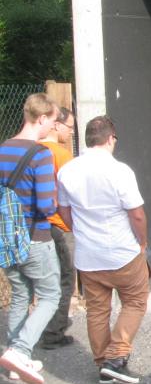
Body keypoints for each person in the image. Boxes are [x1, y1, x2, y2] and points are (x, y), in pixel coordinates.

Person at [57, 115, 150, 384]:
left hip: (88, 255)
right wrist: (142, 241)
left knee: (97, 310)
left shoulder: (67, 171)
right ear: (111, 138)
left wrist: (79, 231)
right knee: (135, 301)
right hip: (121, 251)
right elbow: (137, 214)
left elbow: (63, 210)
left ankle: (102, 364)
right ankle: (116, 357)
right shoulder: (120, 171)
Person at [0, 93, 60, 384]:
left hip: (6, 238)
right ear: (42, 118)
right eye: (53, 121)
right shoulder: (41, 154)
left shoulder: (2, 149)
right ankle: (20, 351)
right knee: (50, 295)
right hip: (35, 236)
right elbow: (46, 205)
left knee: (21, 294)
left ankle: (15, 362)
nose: (53, 127)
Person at [38, 106, 77, 350]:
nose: (71, 132)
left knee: (45, 279)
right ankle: (53, 333)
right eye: (69, 127)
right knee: (65, 278)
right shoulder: (62, 155)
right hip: (59, 224)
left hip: (37, 224)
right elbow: (73, 194)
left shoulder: (33, 150)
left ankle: (41, 325)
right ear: (56, 124)